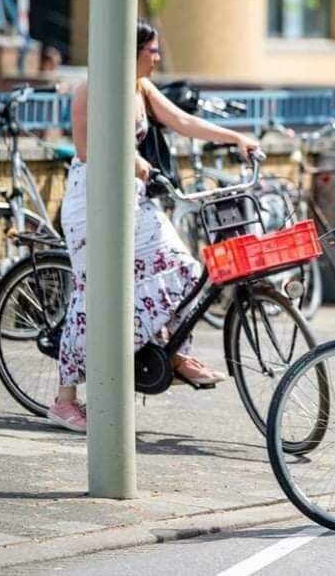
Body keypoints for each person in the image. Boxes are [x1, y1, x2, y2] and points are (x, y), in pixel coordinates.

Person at [47, 21, 260, 433]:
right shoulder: (91, 89)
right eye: (153, 50)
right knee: (96, 292)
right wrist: (134, 159)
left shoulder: (141, 89)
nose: (158, 57)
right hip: (92, 201)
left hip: (132, 197)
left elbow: (182, 120)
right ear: (132, 51)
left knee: (187, 269)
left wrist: (236, 137)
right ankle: (65, 399)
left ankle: (174, 354)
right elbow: (90, 150)